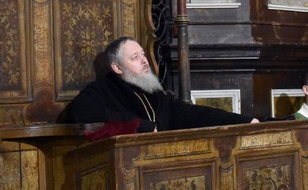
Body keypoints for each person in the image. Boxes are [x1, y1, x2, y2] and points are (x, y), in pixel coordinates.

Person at [62, 36, 258, 134]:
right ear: (117, 67)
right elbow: (79, 111)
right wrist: (140, 126)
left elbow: (194, 114)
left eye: (143, 54)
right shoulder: (103, 90)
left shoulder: (155, 95)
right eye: (135, 57)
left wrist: (245, 121)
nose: (144, 60)